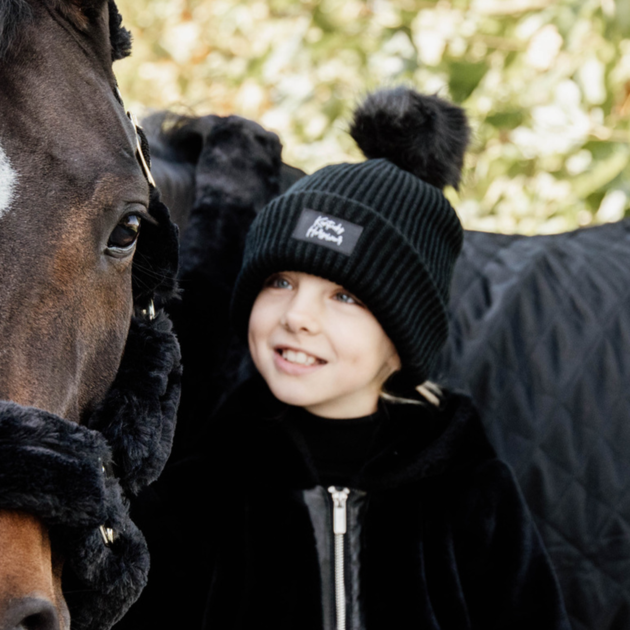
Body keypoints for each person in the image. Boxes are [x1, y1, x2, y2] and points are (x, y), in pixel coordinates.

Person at [116, 87, 570, 630]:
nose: (298, 316)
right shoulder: (208, 482)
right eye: (280, 281)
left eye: (345, 296)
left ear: (404, 334)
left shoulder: (467, 485)